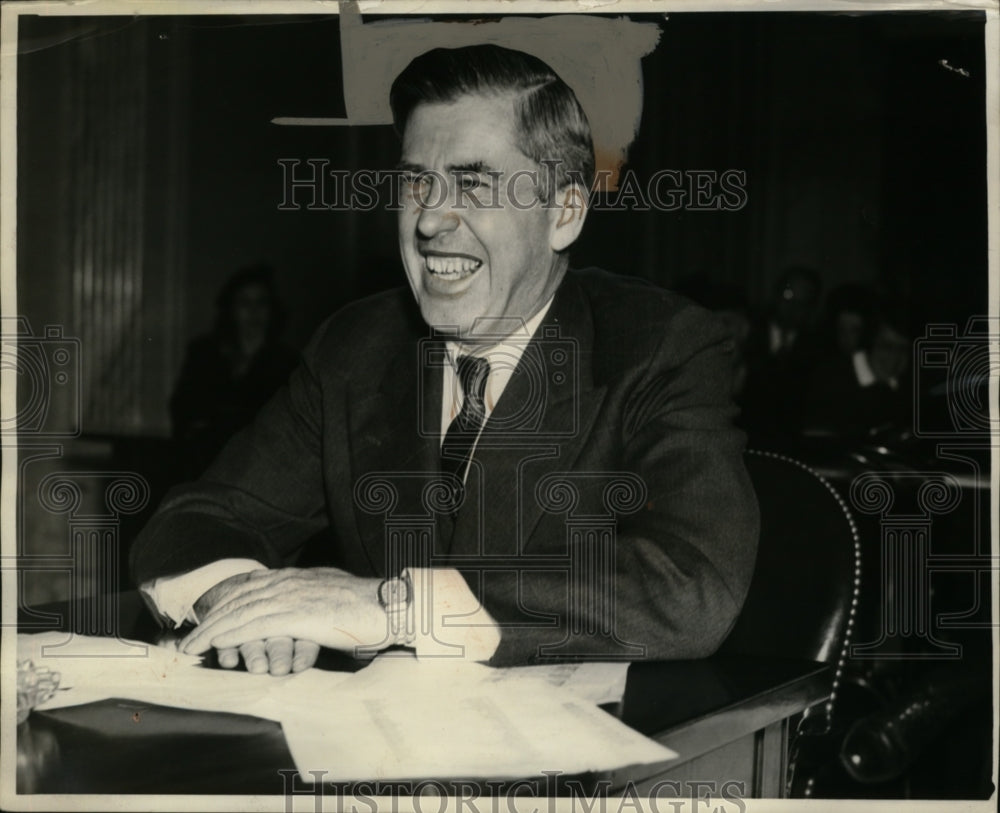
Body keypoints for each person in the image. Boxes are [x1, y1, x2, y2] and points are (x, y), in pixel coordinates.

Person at [130, 45, 759, 673]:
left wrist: (393, 607)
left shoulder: (658, 345)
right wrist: (245, 601)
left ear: (564, 212)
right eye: (416, 182)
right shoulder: (357, 347)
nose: (429, 219)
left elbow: (694, 585)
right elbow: (199, 516)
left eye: (473, 183)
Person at [170, 265, 299, 479]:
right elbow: (183, 407)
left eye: (262, 302)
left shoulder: (286, 362)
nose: (254, 311)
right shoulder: (205, 353)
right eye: (244, 302)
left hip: (262, 470)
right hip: (206, 466)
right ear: (230, 308)